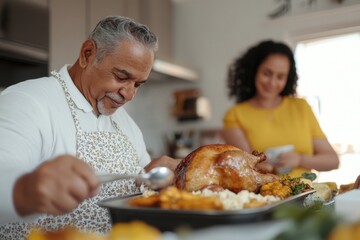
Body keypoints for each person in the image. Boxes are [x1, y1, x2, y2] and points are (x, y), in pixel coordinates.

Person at [0, 16, 179, 239]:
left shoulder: (126, 124)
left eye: (138, 85)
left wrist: (163, 182)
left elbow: (143, 194)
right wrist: (27, 188)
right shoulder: (27, 101)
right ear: (87, 54)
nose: (129, 94)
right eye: (121, 77)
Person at [222, 40, 339, 178]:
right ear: (254, 71)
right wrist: (265, 165)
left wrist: (300, 159)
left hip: (306, 194)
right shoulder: (235, 115)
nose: (272, 83)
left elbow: (333, 161)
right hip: (265, 196)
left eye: (280, 77)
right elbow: (244, 168)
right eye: (267, 73)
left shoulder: (302, 107)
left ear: (287, 79)